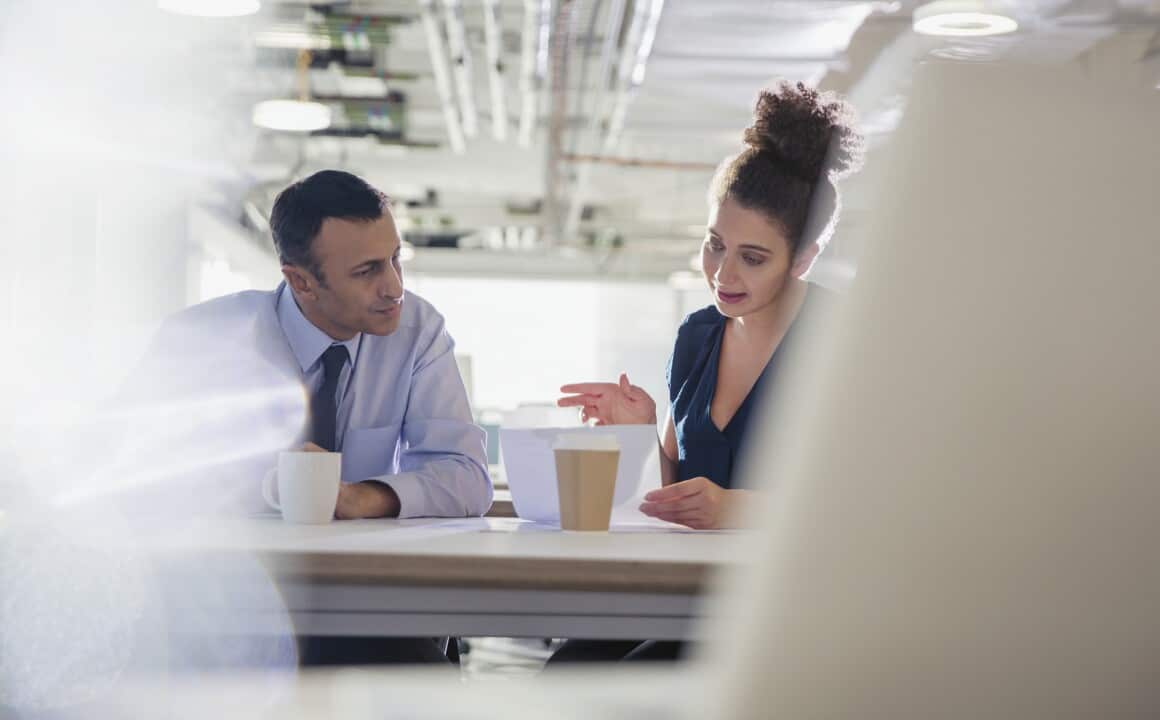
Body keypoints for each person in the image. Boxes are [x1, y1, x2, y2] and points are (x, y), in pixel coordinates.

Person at [549, 81, 862, 665]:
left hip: (782, 609)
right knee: (569, 668)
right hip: (680, 596)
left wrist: (738, 508)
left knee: (625, 685)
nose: (723, 273)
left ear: (804, 259)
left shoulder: (843, 342)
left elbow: (867, 502)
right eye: (715, 244)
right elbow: (672, 490)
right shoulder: (697, 336)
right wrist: (637, 432)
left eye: (754, 257)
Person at [123, 169, 491, 665]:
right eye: (367, 271)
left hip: (365, 607)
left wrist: (367, 497)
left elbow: (467, 477)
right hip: (218, 604)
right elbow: (125, 474)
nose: (394, 287)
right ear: (300, 281)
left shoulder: (417, 330)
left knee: (427, 683)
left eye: (395, 259)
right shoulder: (202, 339)